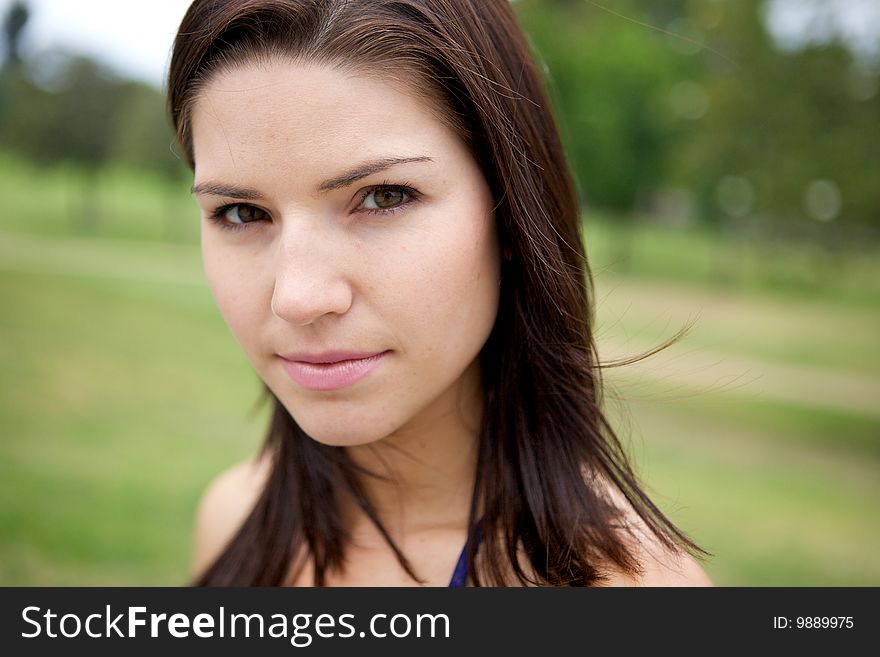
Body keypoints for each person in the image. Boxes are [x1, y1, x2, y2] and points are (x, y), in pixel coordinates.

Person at [166, 0, 712, 587]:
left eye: (383, 197)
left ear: (510, 208)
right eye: (241, 212)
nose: (298, 297)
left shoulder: (622, 587)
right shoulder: (235, 519)